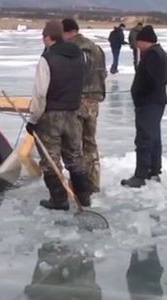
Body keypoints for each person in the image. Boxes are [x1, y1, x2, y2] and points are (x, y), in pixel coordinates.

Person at [25, 20, 92, 210]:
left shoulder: (47, 59)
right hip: (73, 113)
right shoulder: (78, 55)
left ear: (48, 37)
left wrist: (33, 120)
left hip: (51, 117)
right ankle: (84, 196)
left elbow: (40, 94)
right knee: (75, 156)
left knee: (50, 160)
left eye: (43, 37)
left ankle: (59, 199)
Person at [62, 18, 107, 194]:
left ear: (67, 32)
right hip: (94, 101)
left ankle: (81, 186)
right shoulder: (96, 48)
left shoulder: (72, 50)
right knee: (90, 143)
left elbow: (67, 77)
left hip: (77, 101)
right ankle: (94, 182)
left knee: (75, 145)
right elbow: (103, 73)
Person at [121, 25, 167, 188]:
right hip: (154, 102)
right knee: (153, 137)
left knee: (144, 138)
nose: (137, 45)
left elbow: (151, 79)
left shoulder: (153, 55)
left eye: (138, 42)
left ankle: (141, 175)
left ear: (144, 41)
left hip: (149, 103)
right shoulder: (156, 53)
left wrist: (140, 93)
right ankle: (153, 170)